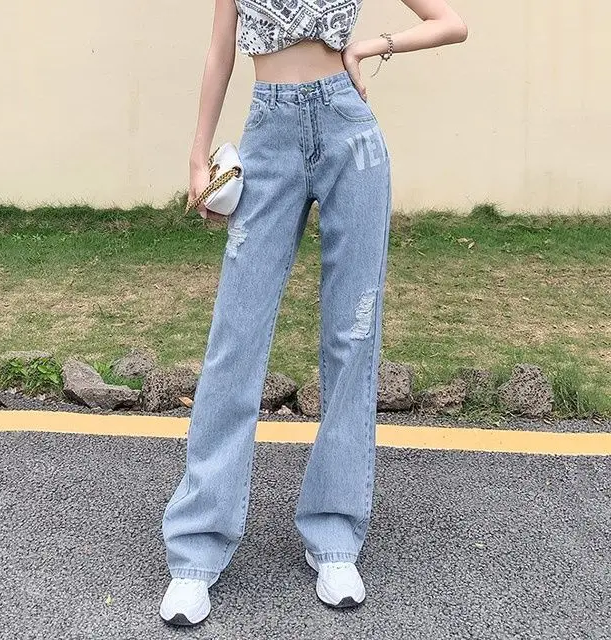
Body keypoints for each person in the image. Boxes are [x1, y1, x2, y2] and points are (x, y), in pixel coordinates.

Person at [159, 0, 468, 627]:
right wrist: (198, 154)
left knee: (353, 338)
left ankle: (333, 535)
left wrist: (370, 47)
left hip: (349, 135)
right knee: (235, 340)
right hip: (268, 132)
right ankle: (195, 552)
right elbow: (220, 50)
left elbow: (451, 23)